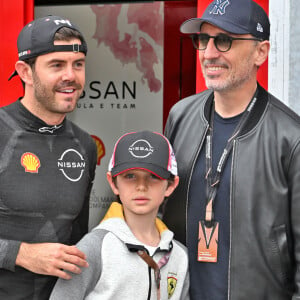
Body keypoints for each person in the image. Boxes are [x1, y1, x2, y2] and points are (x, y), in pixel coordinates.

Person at [161, 0, 300, 299]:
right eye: (203, 40)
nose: (209, 53)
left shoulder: (291, 137)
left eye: (224, 40)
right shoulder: (180, 116)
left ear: (260, 52)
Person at [0, 16, 97, 299]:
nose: (71, 76)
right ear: (25, 72)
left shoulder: (84, 145)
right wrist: (22, 254)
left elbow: (78, 238)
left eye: (78, 65)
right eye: (57, 65)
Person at [50, 130, 190, 300]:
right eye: (130, 176)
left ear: (170, 185)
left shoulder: (180, 256)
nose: (141, 186)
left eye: (153, 176)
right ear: (113, 183)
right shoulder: (93, 248)